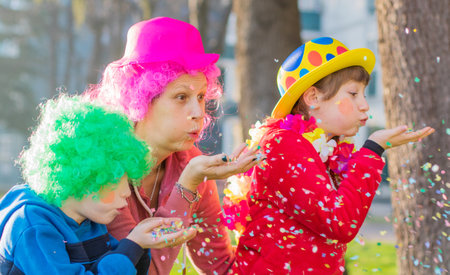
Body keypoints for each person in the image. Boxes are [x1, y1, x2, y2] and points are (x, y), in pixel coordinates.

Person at [225, 37, 435, 274]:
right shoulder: (283, 144)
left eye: (364, 94)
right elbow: (340, 222)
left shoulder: (323, 150)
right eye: (354, 93)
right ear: (313, 98)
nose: (365, 105)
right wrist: (373, 149)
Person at [85, 17, 261, 274]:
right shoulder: (105, 164)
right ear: (140, 99)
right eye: (181, 97)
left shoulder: (192, 162)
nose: (198, 112)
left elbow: (220, 267)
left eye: (201, 97)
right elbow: (142, 269)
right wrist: (188, 185)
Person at [0, 95, 195, 275]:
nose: (127, 192)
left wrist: (139, 244)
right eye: (114, 181)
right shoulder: (32, 227)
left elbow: (115, 265)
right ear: (81, 178)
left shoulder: (90, 220)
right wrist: (132, 245)